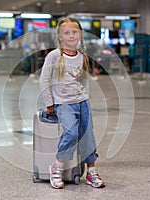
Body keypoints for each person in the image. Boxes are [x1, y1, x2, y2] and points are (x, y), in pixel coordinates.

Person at [39, 17, 105, 189]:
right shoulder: (54, 56)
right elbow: (44, 80)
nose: (71, 35)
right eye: (66, 32)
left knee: (87, 135)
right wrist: (49, 103)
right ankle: (57, 167)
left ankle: (91, 172)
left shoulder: (82, 56)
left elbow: (84, 81)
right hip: (64, 103)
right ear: (60, 36)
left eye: (74, 32)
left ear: (80, 34)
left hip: (82, 102)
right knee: (71, 133)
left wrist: (86, 96)